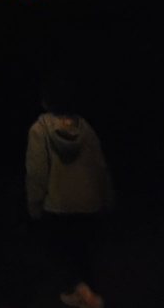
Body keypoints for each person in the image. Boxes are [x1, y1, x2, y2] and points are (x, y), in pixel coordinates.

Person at [26, 78, 114, 308]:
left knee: (61, 256)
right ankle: (86, 293)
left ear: (46, 101)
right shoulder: (86, 128)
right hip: (89, 204)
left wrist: (34, 204)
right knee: (82, 254)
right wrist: (107, 198)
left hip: (58, 207)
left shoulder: (40, 130)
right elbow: (100, 166)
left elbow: (36, 171)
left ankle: (83, 296)